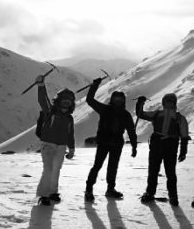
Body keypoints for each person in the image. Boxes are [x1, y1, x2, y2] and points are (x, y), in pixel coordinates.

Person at [84, 77, 137, 201]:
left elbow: (131, 131)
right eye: (116, 99)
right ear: (112, 100)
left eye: (120, 99)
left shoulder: (122, 114)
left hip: (114, 143)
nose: (118, 101)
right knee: (98, 166)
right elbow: (89, 100)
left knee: (111, 167)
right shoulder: (112, 111)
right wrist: (94, 85)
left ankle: (109, 189)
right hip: (106, 142)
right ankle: (89, 189)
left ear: (123, 101)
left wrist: (134, 146)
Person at [135, 93, 189, 206]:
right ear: (164, 103)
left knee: (170, 173)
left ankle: (173, 196)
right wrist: (140, 103)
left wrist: (183, 151)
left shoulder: (179, 118)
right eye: (167, 102)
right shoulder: (158, 114)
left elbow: (184, 136)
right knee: (153, 171)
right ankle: (150, 193)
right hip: (158, 145)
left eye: (171, 102)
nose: (169, 104)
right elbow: (140, 114)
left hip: (169, 146)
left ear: (174, 103)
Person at [34, 76, 75, 206]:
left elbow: (70, 134)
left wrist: (72, 149)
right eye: (64, 100)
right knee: (48, 169)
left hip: (61, 147)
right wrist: (41, 85)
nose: (66, 103)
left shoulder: (69, 118)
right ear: (59, 100)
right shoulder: (50, 112)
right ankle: (43, 195)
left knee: (56, 169)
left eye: (69, 101)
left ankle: (53, 192)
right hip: (48, 145)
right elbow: (43, 100)